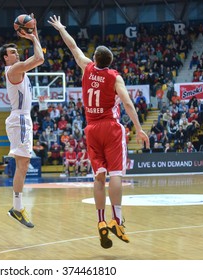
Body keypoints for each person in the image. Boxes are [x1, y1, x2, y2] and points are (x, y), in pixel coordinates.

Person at [49, 15, 149, 249]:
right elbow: (127, 104)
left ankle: (101, 221)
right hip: (110, 127)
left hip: (91, 128)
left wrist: (62, 28)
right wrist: (139, 128)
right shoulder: (115, 77)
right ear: (110, 62)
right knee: (116, 175)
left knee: (99, 177)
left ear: (95, 58)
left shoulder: (87, 67)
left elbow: (72, 46)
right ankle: (117, 219)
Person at [0, 14, 44, 228]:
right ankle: (16, 208)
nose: (16, 53)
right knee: (23, 164)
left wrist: (34, 34)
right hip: (20, 119)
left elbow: (36, 58)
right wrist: (33, 36)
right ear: (5, 58)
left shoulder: (16, 69)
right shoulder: (14, 69)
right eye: (12, 52)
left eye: (16, 51)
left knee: (22, 164)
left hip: (22, 118)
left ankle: (17, 208)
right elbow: (40, 58)